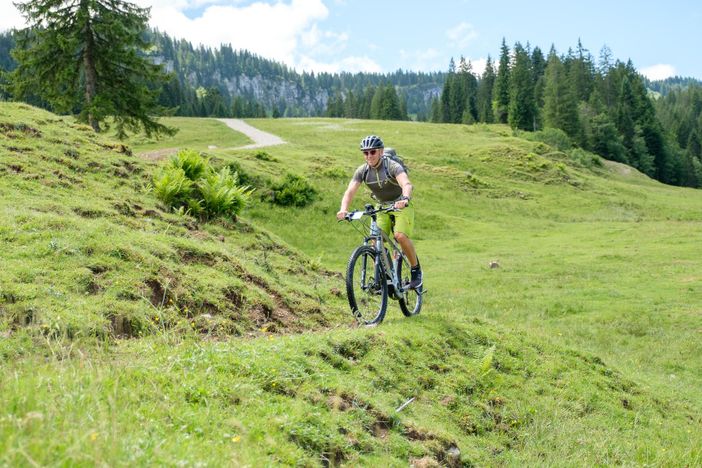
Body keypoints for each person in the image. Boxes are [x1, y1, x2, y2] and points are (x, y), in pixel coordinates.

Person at [336, 135, 423, 289]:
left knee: (399, 236)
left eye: (373, 152)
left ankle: (416, 271)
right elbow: (350, 191)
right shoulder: (362, 171)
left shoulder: (392, 166)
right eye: (365, 153)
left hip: (400, 205)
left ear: (381, 151)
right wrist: (344, 209)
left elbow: (406, 183)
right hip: (381, 207)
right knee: (375, 241)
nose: (369, 156)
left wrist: (405, 198)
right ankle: (388, 275)